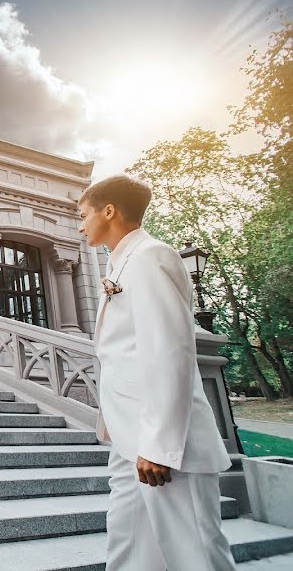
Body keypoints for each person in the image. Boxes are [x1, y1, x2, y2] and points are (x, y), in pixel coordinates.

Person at [78, 175, 236, 571]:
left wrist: (160, 445)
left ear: (108, 211)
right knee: (129, 547)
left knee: (194, 553)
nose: (79, 225)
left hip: (163, 446)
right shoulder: (122, 263)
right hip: (128, 439)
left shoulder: (151, 256)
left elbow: (170, 351)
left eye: (83, 215)